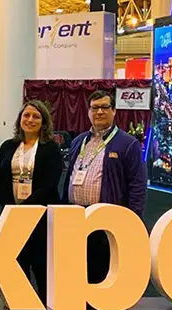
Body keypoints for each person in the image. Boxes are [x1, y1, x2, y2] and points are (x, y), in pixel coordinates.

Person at [62, 90, 148, 284]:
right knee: (76, 267)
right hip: (76, 216)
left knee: (103, 268)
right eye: (94, 108)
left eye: (104, 107)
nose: (99, 112)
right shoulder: (78, 141)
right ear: (88, 112)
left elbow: (138, 184)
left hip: (106, 217)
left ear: (114, 110)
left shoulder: (128, 144)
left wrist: (133, 218)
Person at [0, 100, 63, 304]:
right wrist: (11, 208)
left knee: (42, 265)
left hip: (41, 217)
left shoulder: (50, 148)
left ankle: (46, 309)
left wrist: (26, 209)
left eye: (36, 116)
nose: (30, 120)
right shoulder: (8, 146)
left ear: (44, 122)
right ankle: (18, 309)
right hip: (12, 216)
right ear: (20, 119)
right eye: (26, 115)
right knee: (16, 265)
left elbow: (50, 184)